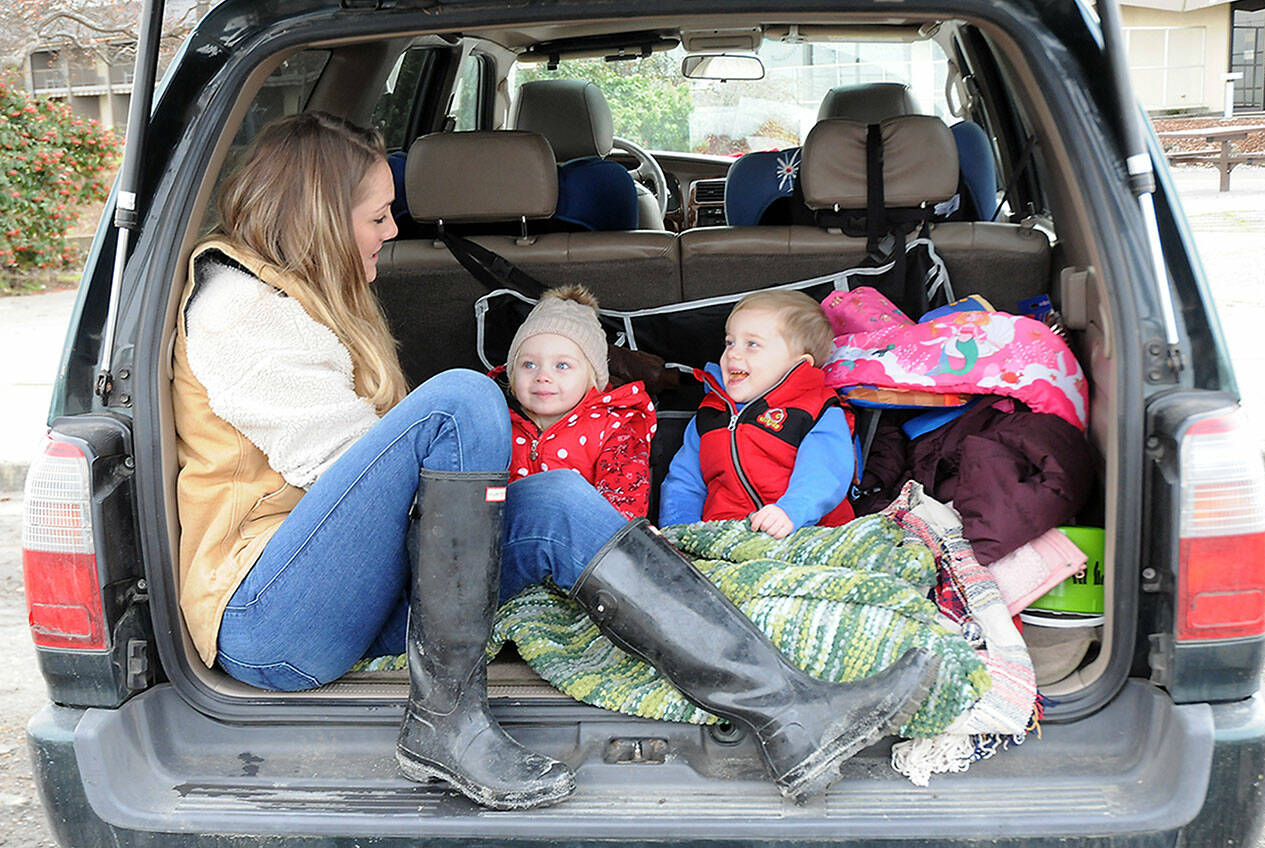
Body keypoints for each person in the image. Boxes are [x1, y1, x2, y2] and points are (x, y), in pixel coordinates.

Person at [171, 111, 937, 812]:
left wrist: (523, 515)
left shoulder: (302, 301)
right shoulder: (243, 313)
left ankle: (791, 714)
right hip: (269, 616)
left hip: (338, 588)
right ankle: (444, 726)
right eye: (376, 217)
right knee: (467, 398)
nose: (390, 233)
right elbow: (354, 483)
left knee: (562, 499)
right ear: (318, 218)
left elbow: (403, 507)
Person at [660, 289, 857, 538]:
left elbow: (825, 474)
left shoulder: (817, 410)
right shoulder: (709, 413)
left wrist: (790, 511)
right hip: (727, 539)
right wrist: (679, 531)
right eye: (730, 342)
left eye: (752, 344)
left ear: (799, 363)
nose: (733, 353)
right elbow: (685, 482)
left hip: (809, 533)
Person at [499, 284, 656, 525]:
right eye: (529, 365)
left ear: (592, 379)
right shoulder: (495, 422)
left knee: (563, 489)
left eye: (562, 366)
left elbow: (623, 505)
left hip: (580, 546)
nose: (543, 375)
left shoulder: (613, 428)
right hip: (504, 543)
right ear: (511, 375)